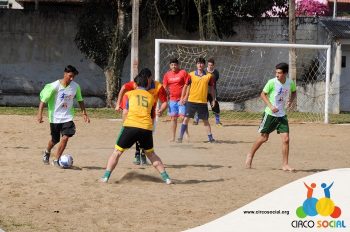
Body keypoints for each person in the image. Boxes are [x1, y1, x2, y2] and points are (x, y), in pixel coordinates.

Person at [100, 69, 172, 184]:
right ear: (147, 83)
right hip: (146, 127)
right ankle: (166, 178)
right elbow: (151, 114)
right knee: (151, 154)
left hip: (131, 125)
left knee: (117, 152)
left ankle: (105, 177)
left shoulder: (129, 94)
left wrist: (124, 125)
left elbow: (125, 112)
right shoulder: (151, 98)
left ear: (136, 84)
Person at [245, 62, 296, 171]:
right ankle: (250, 155)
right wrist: (271, 106)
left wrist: (290, 101)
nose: (277, 75)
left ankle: (285, 164)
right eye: (276, 72)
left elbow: (294, 92)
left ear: (285, 73)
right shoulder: (272, 82)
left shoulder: (290, 83)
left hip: (282, 115)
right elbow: (262, 94)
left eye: (279, 73)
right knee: (264, 138)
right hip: (270, 114)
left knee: (286, 139)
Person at [37, 65, 90, 167]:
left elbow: (80, 100)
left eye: (73, 76)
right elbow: (43, 101)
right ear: (65, 74)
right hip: (55, 118)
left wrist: (84, 113)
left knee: (65, 137)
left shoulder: (75, 86)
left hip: (67, 117)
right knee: (54, 140)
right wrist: (40, 114)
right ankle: (47, 151)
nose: (71, 78)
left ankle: (56, 160)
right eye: (70, 76)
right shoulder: (54, 86)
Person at [115, 68, 167, 165]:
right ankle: (137, 154)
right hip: (135, 114)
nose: (144, 80)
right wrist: (118, 103)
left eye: (146, 78)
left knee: (146, 135)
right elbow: (123, 88)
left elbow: (164, 102)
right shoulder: (137, 83)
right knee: (136, 132)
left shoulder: (158, 87)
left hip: (150, 116)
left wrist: (161, 110)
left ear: (150, 78)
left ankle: (143, 154)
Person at [177, 57, 216, 143]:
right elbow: (185, 86)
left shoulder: (209, 76)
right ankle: (180, 137)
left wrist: (213, 99)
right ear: (196, 64)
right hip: (191, 101)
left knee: (206, 121)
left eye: (201, 63)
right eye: (198, 63)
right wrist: (182, 98)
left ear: (204, 65)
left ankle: (210, 138)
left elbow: (212, 89)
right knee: (186, 119)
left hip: (202, 102)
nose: (200, 65)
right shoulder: (190, 75)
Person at [162, 58, 190, 142]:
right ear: (170, 66)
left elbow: (188, 85)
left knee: (182, 117)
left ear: (178, 65)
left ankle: (185, 133)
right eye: (172, 65)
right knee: (173, 118)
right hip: (172, 100)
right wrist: (165, 98)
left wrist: (185, 97)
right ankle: (173, 137)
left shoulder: (183, 72)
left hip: (181, 100)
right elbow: (164, 87)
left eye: (175, 64)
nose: (174, 66)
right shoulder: (167, 75)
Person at [193, 58, 222, 126]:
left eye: (211, 65)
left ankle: (217, 121)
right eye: (209, 65)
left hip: (212, 91)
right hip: (204, 91)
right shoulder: (204, 71)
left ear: (213, 65)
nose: (210, 66)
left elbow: (214, 82)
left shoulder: (216, 73)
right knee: (200, 105)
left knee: (215, 105)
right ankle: (196, 119)